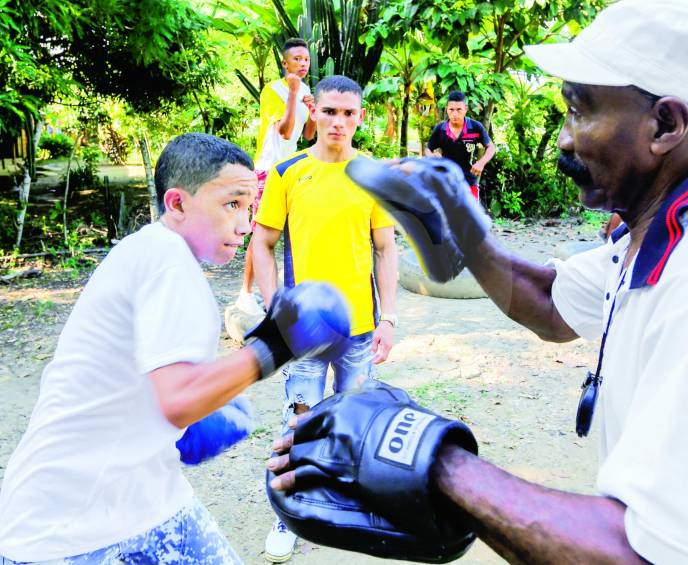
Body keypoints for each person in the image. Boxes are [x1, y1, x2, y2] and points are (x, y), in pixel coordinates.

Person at [267, 2, 688, 564]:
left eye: (580, 111)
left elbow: (656, 556)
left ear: (665, 125)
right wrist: (464, 229)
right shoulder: (659, 233)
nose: (564, 139)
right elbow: (550, 304)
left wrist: (433, 461)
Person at [0, 133, 351, 564]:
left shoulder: (152, 255)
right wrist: (274, 346)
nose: (244, 224)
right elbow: (179, 398)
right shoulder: (165, 260)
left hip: (152, 505)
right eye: (231, 205)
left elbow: (158, 391)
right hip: (68, 533)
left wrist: (198, 416)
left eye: (249, 207)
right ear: (178, 203)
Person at [251, 75, 398, 562]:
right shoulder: (287, 172)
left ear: (360, 117)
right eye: (330, 111)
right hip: (305, 334)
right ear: (314, 113)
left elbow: (384, 248)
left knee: (352, 420)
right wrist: (277, 310)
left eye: (348, 113)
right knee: (302, 422)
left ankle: (347, 503)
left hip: (359, 326)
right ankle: (289, 512)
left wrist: (390, 318)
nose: (338, 121)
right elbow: (263, 243)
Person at [233, 37, 317, 319]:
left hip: (289, 171)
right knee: (261, 233)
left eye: (306, 59)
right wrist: (293, 95)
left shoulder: (305, 90)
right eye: (297, 59)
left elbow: (307, 135)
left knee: (292, 233)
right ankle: (245, 295)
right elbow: (284, 130)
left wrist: (313, 112)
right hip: (267, 169)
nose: (303, 64)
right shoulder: (273, 91)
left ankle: (287, 293)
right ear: (284, 63)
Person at [425, 90, 496, 201]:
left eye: (459, 109)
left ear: (465, 109)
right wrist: (432, 158)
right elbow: (428, 149)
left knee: (471, 217)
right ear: (447, 110)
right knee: (447, 217)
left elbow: (491, 147)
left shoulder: (475, 127)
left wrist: (481, 163)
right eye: (451, 109)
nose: (455, 114)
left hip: (469, 182)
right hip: (446, 182)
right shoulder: (440, 129)